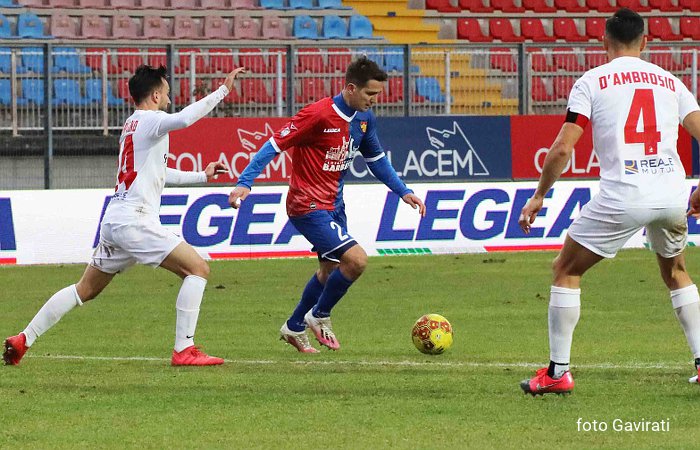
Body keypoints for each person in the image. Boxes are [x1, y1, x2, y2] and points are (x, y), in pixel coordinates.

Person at [3, 65, 246, 367]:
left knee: (85, 290)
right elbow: (184, 119)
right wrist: (223, 90)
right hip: (136, 219)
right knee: (197, 269)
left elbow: (159, 173)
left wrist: (202, 176)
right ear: (156, 95)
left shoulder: (132, 125)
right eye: (167, 94)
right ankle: (184, 350)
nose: (169, 100)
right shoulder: (152, 120)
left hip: (115, 219)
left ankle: (24, 338)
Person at [518, 8, 700, 395]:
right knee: (677, 273)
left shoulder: (592, 81)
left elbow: (563, 148)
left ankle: (556, 373)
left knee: (565, 268)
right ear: (645, 42)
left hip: (624, 194)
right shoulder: (672, 82)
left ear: (604, 42)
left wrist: (538, 195)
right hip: (671, 192)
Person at [228, 56, 426, 353]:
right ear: (350, 88)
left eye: (377, 95)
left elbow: (377, 161)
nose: (374, 101)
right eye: (370, 94)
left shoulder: (363, 119)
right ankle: (319, 315)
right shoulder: (318, 115)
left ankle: (294, 327)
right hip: (306, 204)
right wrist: (245, 182)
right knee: (356, 260)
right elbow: (273, 145)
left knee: (329, 269)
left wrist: (402, 191)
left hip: (334, 203)